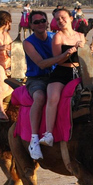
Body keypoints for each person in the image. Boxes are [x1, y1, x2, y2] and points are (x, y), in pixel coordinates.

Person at [22, 10, 75, 160]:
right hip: (37, 78)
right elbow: (41, 63)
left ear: (47, 22)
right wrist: (63, 56)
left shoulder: (54, 37)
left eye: (43, 21)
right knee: (39, 97)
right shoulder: (28, 43)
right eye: (36, 22)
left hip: (58, 75)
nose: (40, 24)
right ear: (31, 25)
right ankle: (34, 139)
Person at [39, 8, 91, 149]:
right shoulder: (58, 37)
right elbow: (57, 60)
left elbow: (84, 57)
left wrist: (88, 50)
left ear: (71, 18)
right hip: (62, 72)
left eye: (63, 17)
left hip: (79, 72)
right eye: (57, 19)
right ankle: (48, 133)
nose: (60, 21)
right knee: (53, 97)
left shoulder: (80, 35)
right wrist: (68, 52)